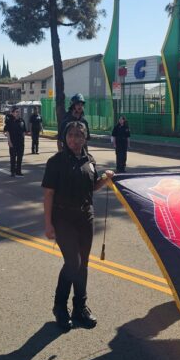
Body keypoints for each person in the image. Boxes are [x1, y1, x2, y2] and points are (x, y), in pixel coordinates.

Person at [42, 121, 114, 331]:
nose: (74, 139)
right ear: (64, 137)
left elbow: (92, 187)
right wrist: (48, 223)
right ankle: (60, 307)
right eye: (71, 135)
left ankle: (80, 307)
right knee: (73, 263)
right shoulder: (56, 161)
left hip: (85, 218)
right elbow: (48, 194)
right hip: (63, 218)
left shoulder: (88, 160)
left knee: (83, 265)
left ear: (85, 138)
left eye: (79, 135)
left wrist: (105, 179)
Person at [4, 107, 26, 177]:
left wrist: (23, 140)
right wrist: (9, 141)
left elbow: (23, 131)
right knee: (13, 157)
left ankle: (18, 171)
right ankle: (13, 171)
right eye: (16, 112)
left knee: (20, 157)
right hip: (13, 141)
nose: (18, 113)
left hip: (20, 142)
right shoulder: (9, 121)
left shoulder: (22, 120)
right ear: (13, 113)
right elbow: (7, 132)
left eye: (18, 112)